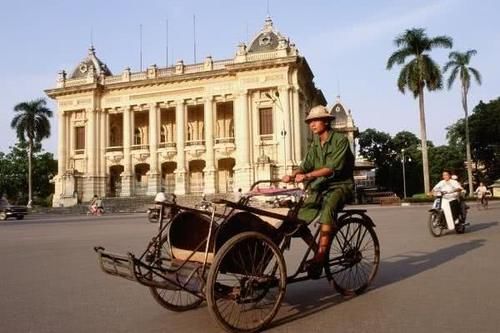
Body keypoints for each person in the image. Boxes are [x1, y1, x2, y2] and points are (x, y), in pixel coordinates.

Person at [282, 105, 354, 277]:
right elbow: (305, 165)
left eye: (316, 120)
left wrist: (307, 176)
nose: (312, 125)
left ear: (326, 122)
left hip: (341, 186)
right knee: (297, 219)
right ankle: (318, 252)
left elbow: (332, 168)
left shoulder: (340, 140)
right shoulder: (315, 144)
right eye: (310, 122)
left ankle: (321, 255)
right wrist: (292, 175)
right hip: (321, 187)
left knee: (328, 208)